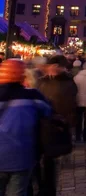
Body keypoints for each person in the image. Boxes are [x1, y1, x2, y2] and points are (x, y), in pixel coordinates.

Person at [0, 59, 51, 196]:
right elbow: (49, 114)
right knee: (18, 192)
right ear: (23, 76)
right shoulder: (33, 96)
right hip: (22, 154)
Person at [37, 55, 78, 196]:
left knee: (50, 161)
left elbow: (71, 104)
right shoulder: (41, 82)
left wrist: (65, 122)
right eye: (52, 65)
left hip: (57, 125)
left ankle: (48, 190)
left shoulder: (69, 82)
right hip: (41, 124)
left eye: (57, 66)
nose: (54, 68)